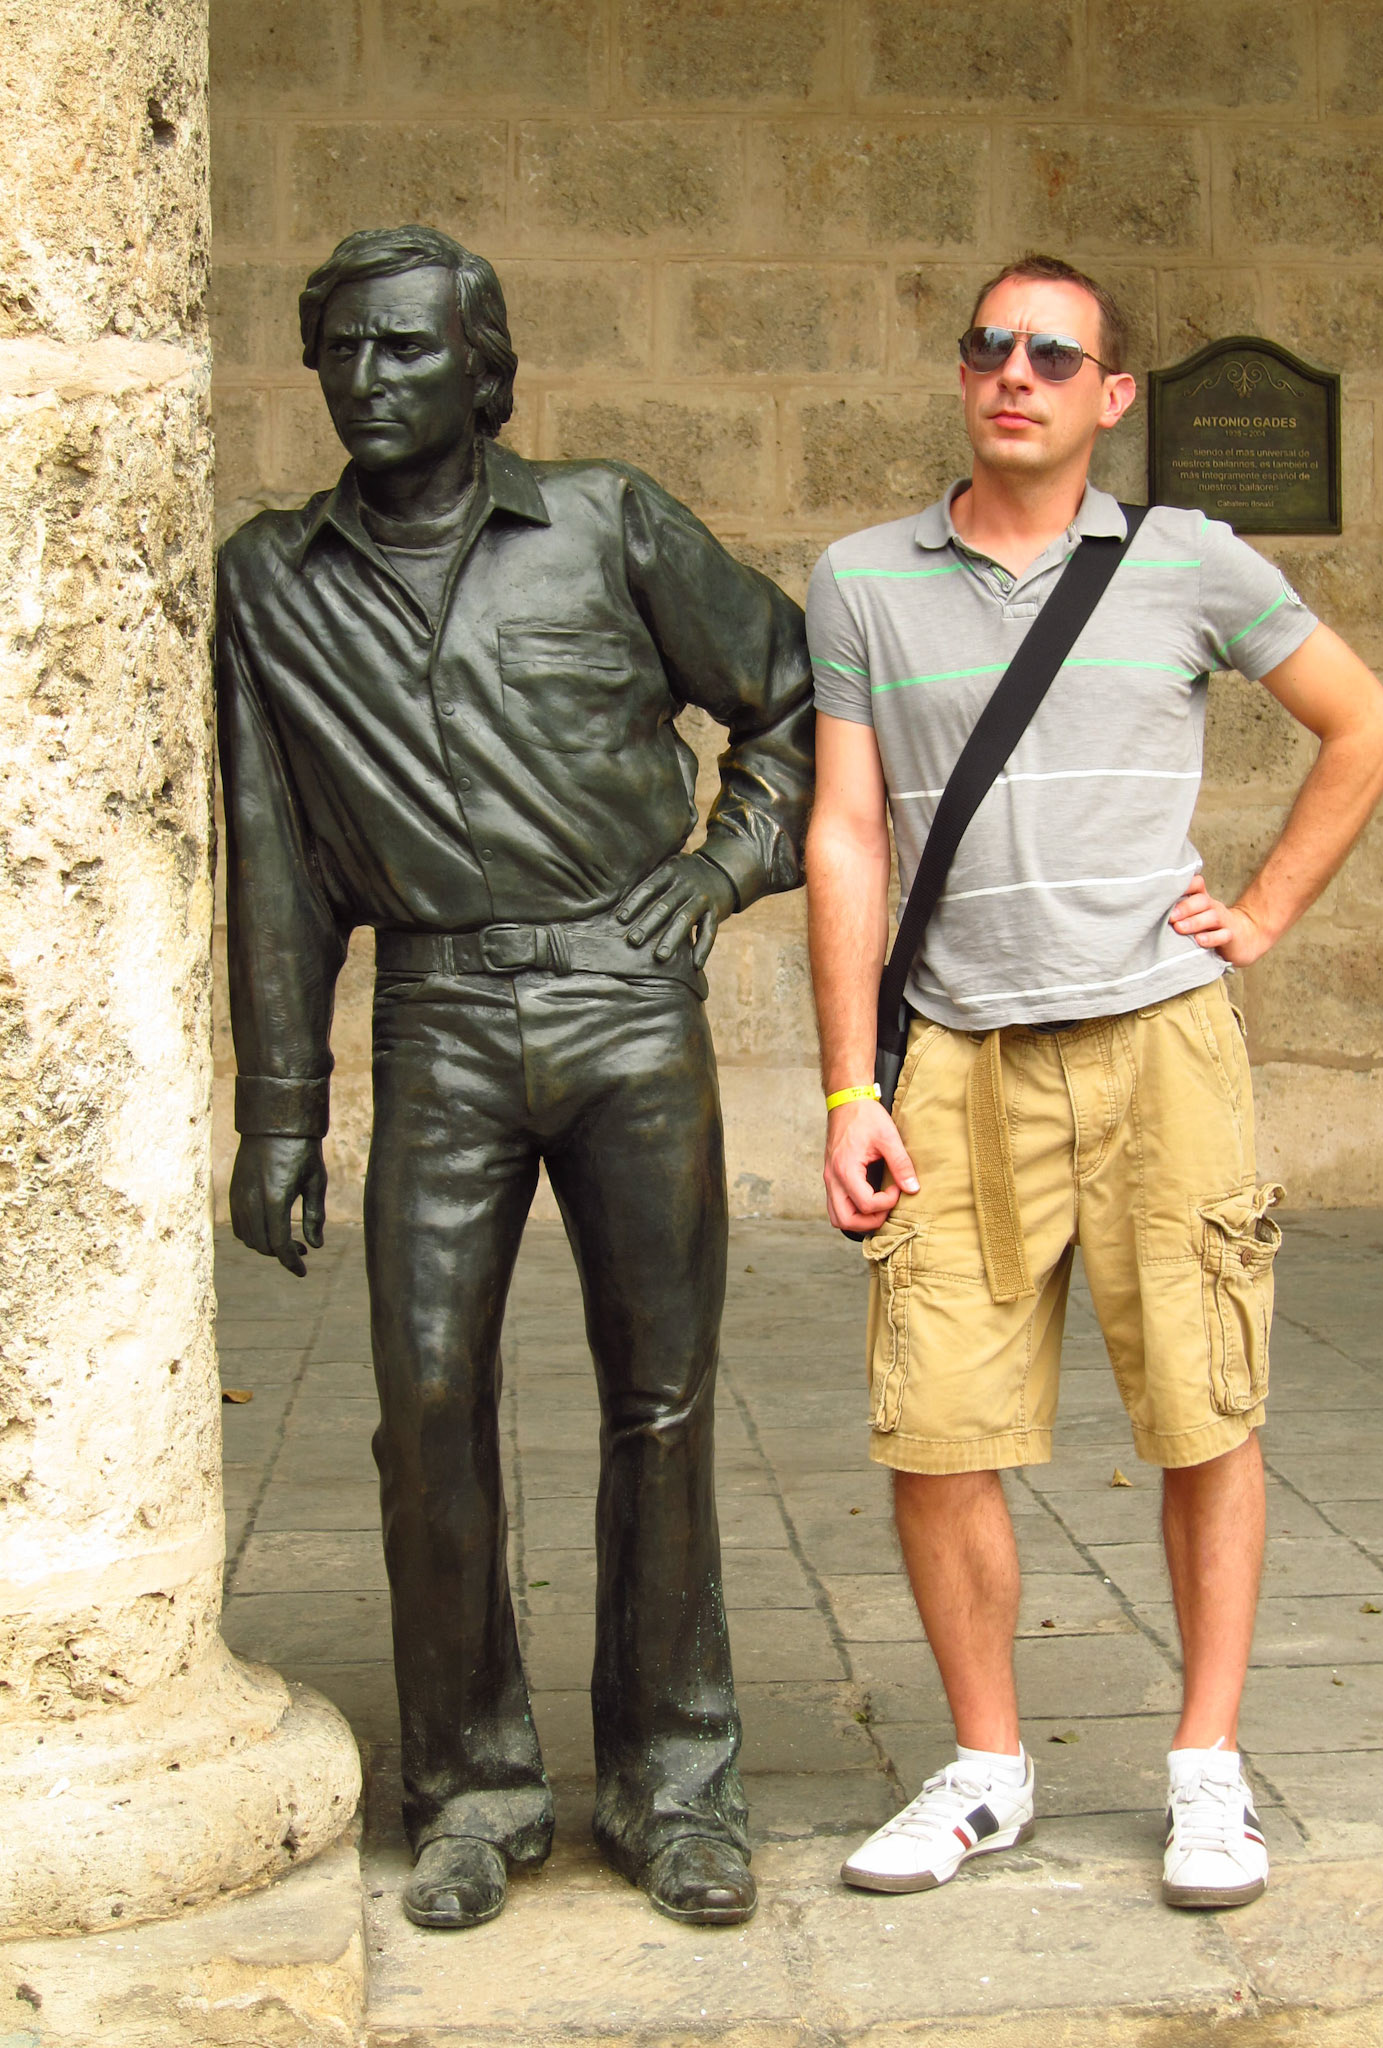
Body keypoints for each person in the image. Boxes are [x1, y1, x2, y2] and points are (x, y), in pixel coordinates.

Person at [216, 225, 813, 1931]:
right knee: (425, 1406)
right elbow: (273, 853)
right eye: (338, 349)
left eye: (405, 349)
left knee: (665, 1397)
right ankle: (473, 1785)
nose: (365, 378)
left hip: (629, 1006)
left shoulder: (610, 522)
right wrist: (278, 1112)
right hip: (440, 1020)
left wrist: (717, 870)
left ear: (483, 372)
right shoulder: (269, 578)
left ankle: (674, 1783)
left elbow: (795, 697)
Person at [804, 253, 1383, 1909]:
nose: (1017, 375)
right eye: (991, 347)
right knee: (934, 1426)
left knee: (1208, 1412)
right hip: (956, 1061)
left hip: (1160, 1043)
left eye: (1055, 356)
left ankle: (1207, 1774)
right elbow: (846, 832)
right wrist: (851, 1090)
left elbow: (1364, 727)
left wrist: (1266, 908)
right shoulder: (860, 581)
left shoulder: (1188, 563)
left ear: (1112, 396)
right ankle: (986, 1768)